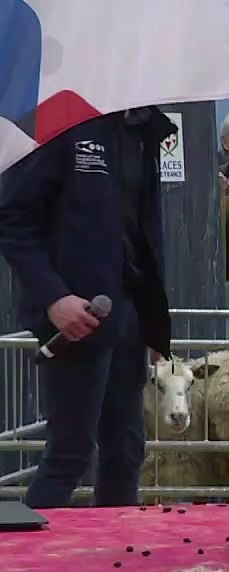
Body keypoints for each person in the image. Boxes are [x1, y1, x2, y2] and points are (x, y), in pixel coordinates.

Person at [0, 107, 175, 508]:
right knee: (71, 452)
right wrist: (54, 296)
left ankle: (116, 553)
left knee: (127, 448)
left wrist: (150, 320)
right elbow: (13, 218)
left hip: (127, 310)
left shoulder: (142, 130)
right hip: (77, 317)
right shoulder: (64, 125)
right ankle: (26, 565)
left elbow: (142, 232)